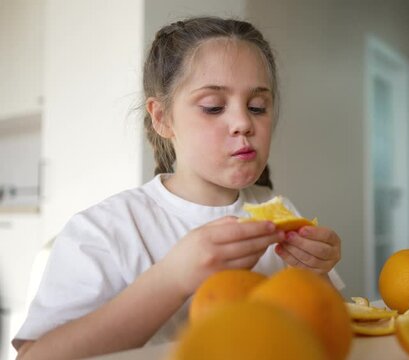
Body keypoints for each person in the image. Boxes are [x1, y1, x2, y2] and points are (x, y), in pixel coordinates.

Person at [13, 16, 344, 360]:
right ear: (162, 118)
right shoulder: (103, 232)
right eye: (213, 107)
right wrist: (172, 278)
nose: (244, 122)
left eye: (257, 107)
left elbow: (331, 330)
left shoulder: (283, 211)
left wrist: (316, 273)